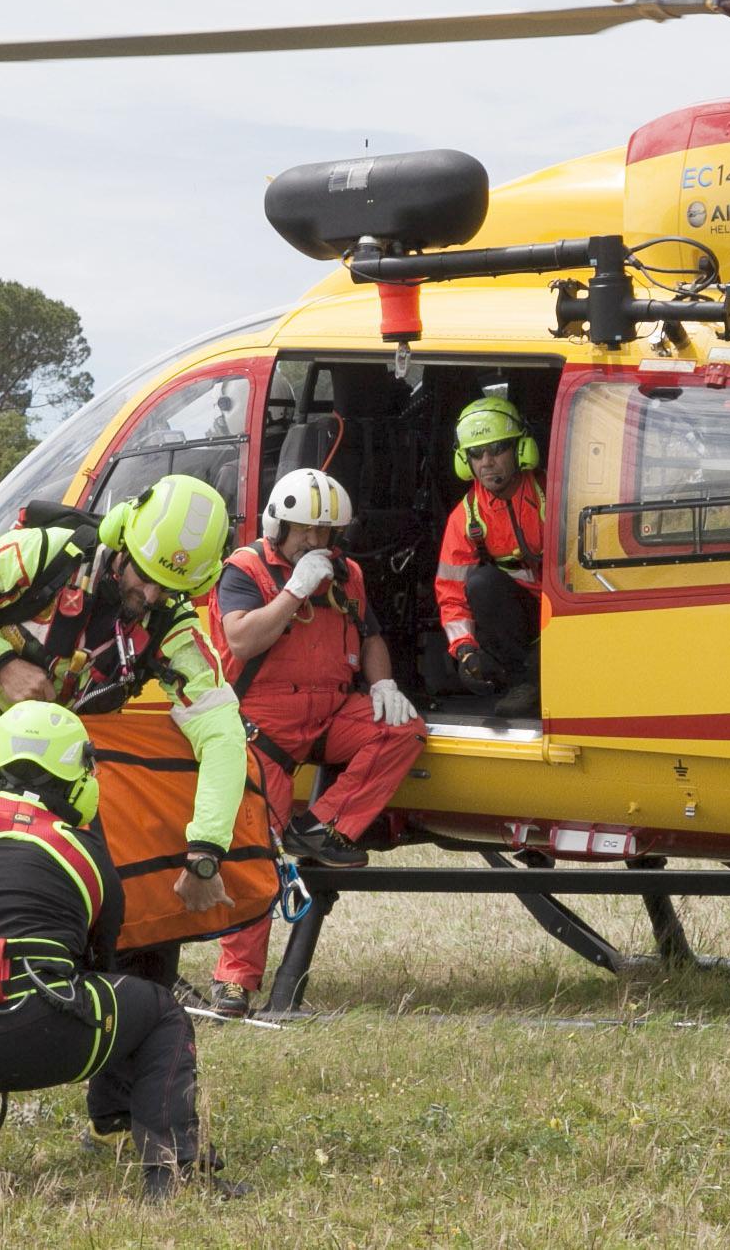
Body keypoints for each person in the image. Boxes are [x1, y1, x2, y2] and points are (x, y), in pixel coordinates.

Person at [0, 702, 224, 1199]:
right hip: (47, 1034)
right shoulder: (86, 852)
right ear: (81, 777)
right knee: (160, 1012)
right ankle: (167, 1170)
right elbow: (99, 964)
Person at [0, 475, 249, 986]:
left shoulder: (172, 625)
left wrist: (206, 850)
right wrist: (2, 664)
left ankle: (122, 995)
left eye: (171, 588)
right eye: (145, 576)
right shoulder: (43, 554)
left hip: (73, 767)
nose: (152, 593)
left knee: (110, 884)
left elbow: (223, 733)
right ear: (123, 538)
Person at [205, 469, 425, 1017]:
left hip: (327, 713)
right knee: (252, 854)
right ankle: (235, 982)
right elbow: (242, 637)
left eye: (326, 534)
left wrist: (383, 684)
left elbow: (369, 633)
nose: (316, 543)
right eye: (305, 531)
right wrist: (294, 590)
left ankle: (321, 827)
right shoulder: (245, 570)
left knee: (402, 730)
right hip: (263, 729)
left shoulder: (346, 575)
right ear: (278, 525)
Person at [434, 396, 545, 718]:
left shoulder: (552, 494)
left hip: (563, 613)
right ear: (463, 461)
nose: (487, 462)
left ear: (521, 450)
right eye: (476, 453)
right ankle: (524, 682)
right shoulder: (466, 517)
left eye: (498, 449)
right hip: (517, 620)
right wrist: (465, 650)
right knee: (481, 583)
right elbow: (451, 596)